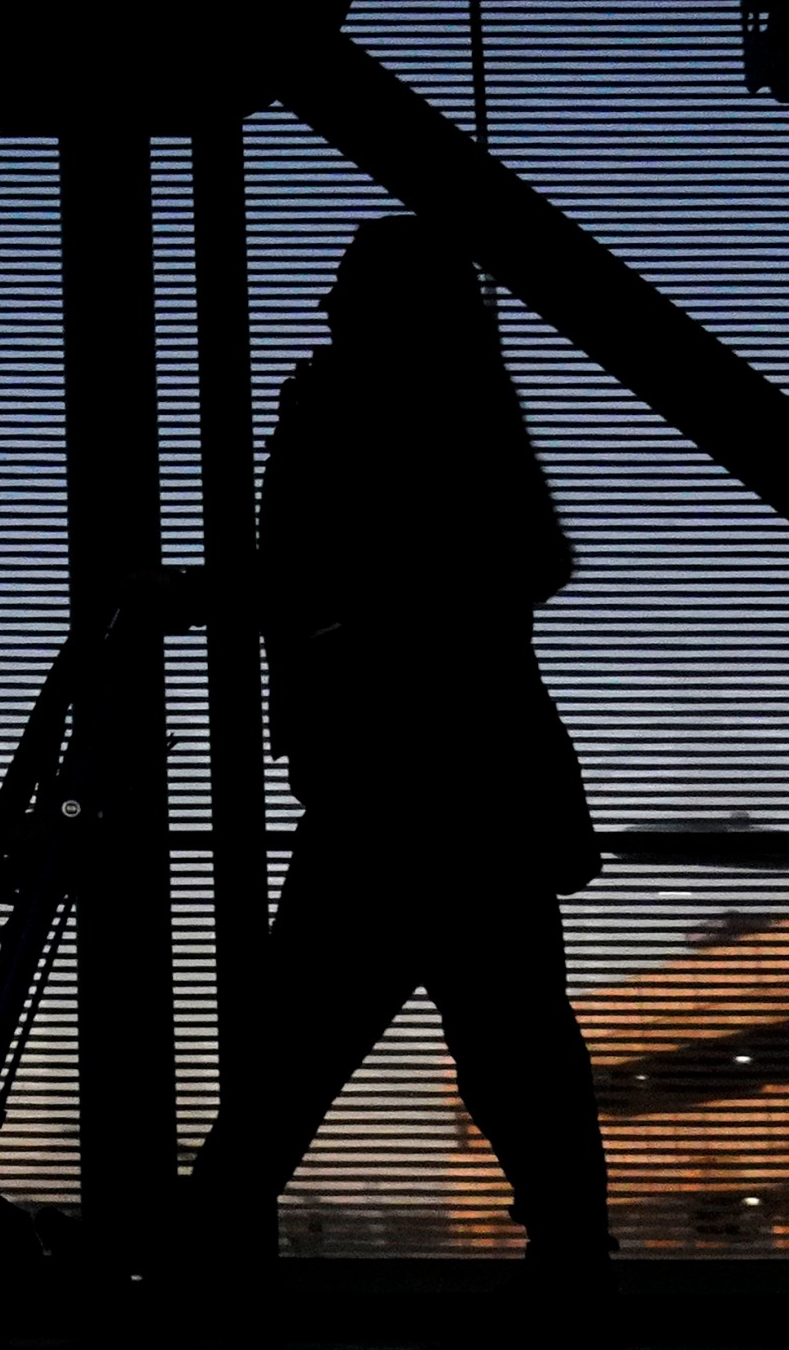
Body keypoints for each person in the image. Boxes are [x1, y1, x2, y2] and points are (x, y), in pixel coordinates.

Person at [189, 215, 614, 1283]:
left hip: (390, 784)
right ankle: (572, 1256)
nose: (330, 321)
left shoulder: (344, 403)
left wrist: (291, 606)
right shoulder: (468, 408)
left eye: (347, 304)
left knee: (307, 1043)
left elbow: (296, 574)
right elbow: (525, 563)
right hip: (478, 788)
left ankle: (191, 1247)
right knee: (506, 1044)